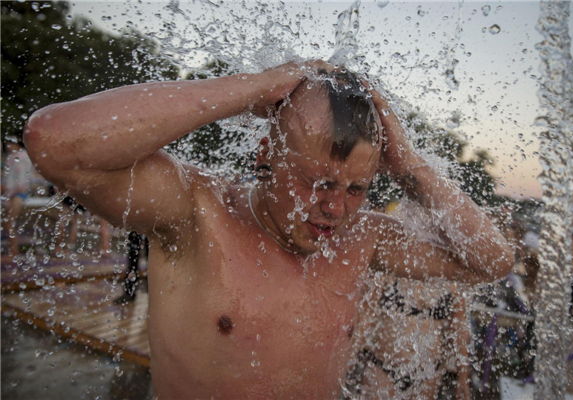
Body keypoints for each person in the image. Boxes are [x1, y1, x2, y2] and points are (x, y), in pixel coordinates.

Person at [24, 61, 513, 399]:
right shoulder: (196, 214)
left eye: (357, 189)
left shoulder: (365, 238)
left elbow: (493, 261)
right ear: (265, 155)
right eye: (315, 182)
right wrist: (252, 89)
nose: (335, 209)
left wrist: (411, 166)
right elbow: (54, 143)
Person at [2, 139, 40, 261]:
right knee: (8, 222)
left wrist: (8, 189)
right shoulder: (14, 156)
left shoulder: (22, 157)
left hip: (18, 193)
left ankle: (14, 252)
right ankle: (13, 251)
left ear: (17, 143)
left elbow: (21, 179)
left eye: (10, 144)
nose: (8, 146)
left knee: (9, 222)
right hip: (14, 193)